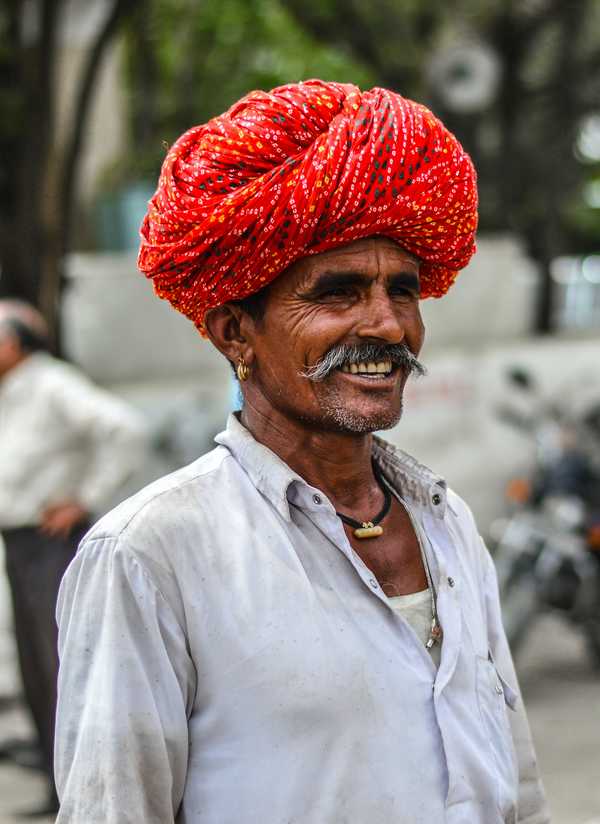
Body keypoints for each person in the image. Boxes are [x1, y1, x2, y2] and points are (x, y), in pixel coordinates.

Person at [55, 81, 550, 823]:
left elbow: (516, 790)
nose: (388, 325)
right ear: (233, 333)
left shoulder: (449, 527)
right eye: (339, 293)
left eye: (403, 291)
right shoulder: (150, 556)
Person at [0, 300, 147, 816]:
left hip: (52, 544)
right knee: (39, 668)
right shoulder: (14, 392)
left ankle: (89, 793)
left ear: (14, 343)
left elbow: (123, 428)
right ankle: (57, 788)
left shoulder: (50, 383)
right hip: (21, 545)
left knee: (65, 665)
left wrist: (85, 497)